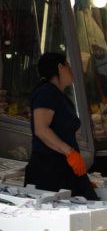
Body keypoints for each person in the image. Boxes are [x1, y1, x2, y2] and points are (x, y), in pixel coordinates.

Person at [24, 52, 98, 199]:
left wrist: (82, 181)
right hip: (49, 171)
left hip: (65, 170)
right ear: (60, 67)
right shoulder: (45, 92)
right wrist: (69, 152)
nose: (71, 69)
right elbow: (41, 130)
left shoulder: (59, 95)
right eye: (68, 65)